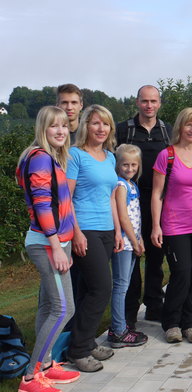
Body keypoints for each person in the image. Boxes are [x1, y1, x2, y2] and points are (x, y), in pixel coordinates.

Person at [16, 106, 81, 392]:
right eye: (54, 126)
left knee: (47, 307)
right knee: (63, 308)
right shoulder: (41, 159)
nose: (60, 131)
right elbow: (42, 205)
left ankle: (47, 364)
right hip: (47, 244)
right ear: (43, 128)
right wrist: (56, 247)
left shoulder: (48, 158)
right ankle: (31, 377)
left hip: (56, 242)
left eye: (64, 126)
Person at [150, 108, 192, 344]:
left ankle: (191, 323)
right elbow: (157, 193)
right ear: (180, 127)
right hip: (174, 226)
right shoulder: (166, 155)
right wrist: (156, 226)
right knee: (181, 273)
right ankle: (171, 323)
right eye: (189, 125)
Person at [67, 105, 123, 372]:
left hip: (106, 230)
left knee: (88, 290)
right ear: (85, 126)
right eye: (95, 123)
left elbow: (111, 196)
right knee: (102, 288)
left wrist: (118, 231)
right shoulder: (75, 155)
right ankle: (77, 351)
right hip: (85, 229)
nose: (101, 129)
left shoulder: (110, 157)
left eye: (106, 124)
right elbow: (66, 198)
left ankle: (86, 342)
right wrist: (76, 232)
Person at [115, 85, 172, 327]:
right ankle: (129, 311)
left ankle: (154, 305)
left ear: (159, 103)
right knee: (132, 255)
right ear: (137, 102)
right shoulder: (123, 129)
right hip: (129, 200)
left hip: (159, 200)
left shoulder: (168, 131)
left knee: (156, 254)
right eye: (145, 101)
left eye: (154, 101)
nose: (149, 105)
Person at [108, 144, 148, 348]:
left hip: (132, 241)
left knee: (125, 284)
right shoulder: (120, 185)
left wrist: (139, 238)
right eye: (125, 164)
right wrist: (133, 239)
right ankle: (118, 329)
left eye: (133, 164)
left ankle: (120, 325)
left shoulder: (131, 184)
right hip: (124, 242)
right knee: (121, 286)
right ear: (118, 164)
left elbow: (135, 216)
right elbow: (123, 216)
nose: (130, 168)